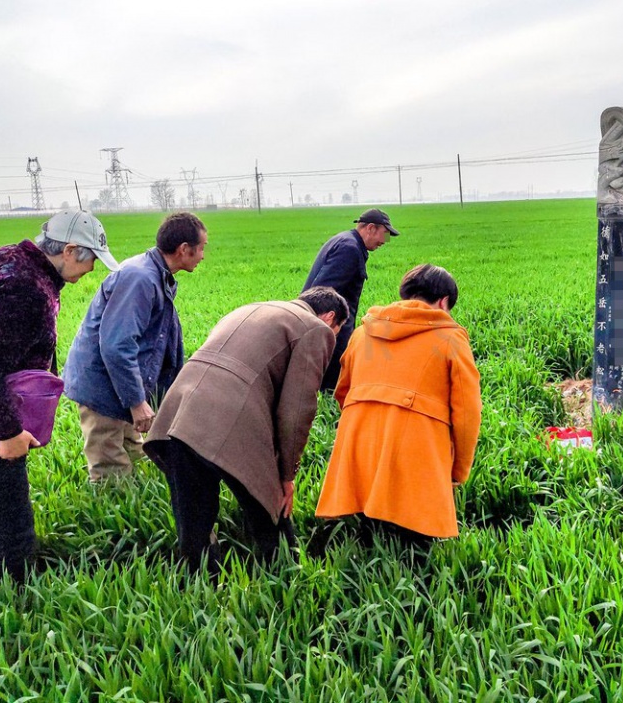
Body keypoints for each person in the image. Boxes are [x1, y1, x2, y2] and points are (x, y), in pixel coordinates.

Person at [0, 210, 119, 582]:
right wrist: (6, 433)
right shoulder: (24, 289)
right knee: (9, 530)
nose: (91, 271)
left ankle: (0, 585)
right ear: (69, 250)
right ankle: (13, 613)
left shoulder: (14, 260)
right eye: (91, 260)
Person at [142, 287, 349, 573]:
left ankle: (200, 589)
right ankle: (288, 579)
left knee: (193, 519)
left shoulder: (250, 308)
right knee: (271, 509)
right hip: (231, 419)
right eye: (337, 332)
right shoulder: (315, 329)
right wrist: (286, 475)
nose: (333, 339)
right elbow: (297, 408)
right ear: (329, 317)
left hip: (177, 415)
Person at [315, 264, 482, 544]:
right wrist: (459, 469)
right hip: (415, 449)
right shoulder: (450, 338)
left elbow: (343, 391)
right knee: (415, 545)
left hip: (359, 440)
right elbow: (467, 412)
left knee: (369, 530)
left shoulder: (362, 333)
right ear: (443, 302)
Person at [63, 211, 207, 482]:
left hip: (120, 386)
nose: (202, 256)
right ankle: (112, 522)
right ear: (184, 249)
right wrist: (137, 401)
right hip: (103, 389)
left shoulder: (155, 274)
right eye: (201, 248)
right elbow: (118, 345)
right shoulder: (141, 278)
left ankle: (135, 512)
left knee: (136, 457)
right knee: (111, 472)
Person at [302, 208, 399, 392]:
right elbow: (323, 291)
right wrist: (328, 329)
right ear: (371, 228)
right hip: (332, 326)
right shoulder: (350, 249)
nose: (384, 242)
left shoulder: (347, 241)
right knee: (331, 387)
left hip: (334, 324)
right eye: (384, 235)